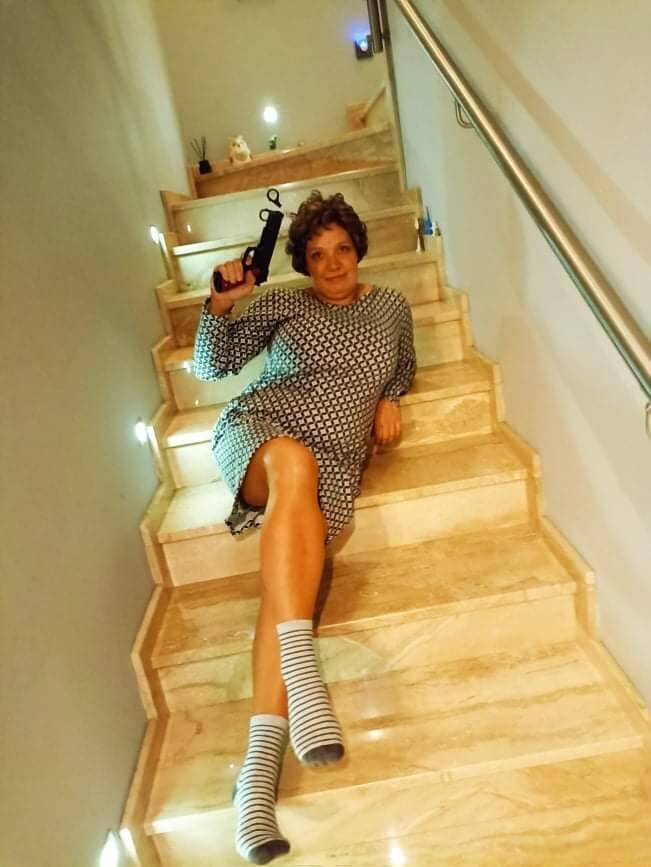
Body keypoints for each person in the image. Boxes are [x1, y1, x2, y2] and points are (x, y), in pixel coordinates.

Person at [193, 191, 416, 865]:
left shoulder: (391, 306)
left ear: (358, 249)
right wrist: (220, 304)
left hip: (335, 464)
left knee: (283, 591)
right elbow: (211, 365)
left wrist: (389, 396)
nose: (333, 263)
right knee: (292, 464)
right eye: (317, 255)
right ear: (303, 263)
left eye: (342, 248)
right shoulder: (284, 303)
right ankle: (302, 664)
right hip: (264, 434)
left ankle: (254, 784)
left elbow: (403, 365)